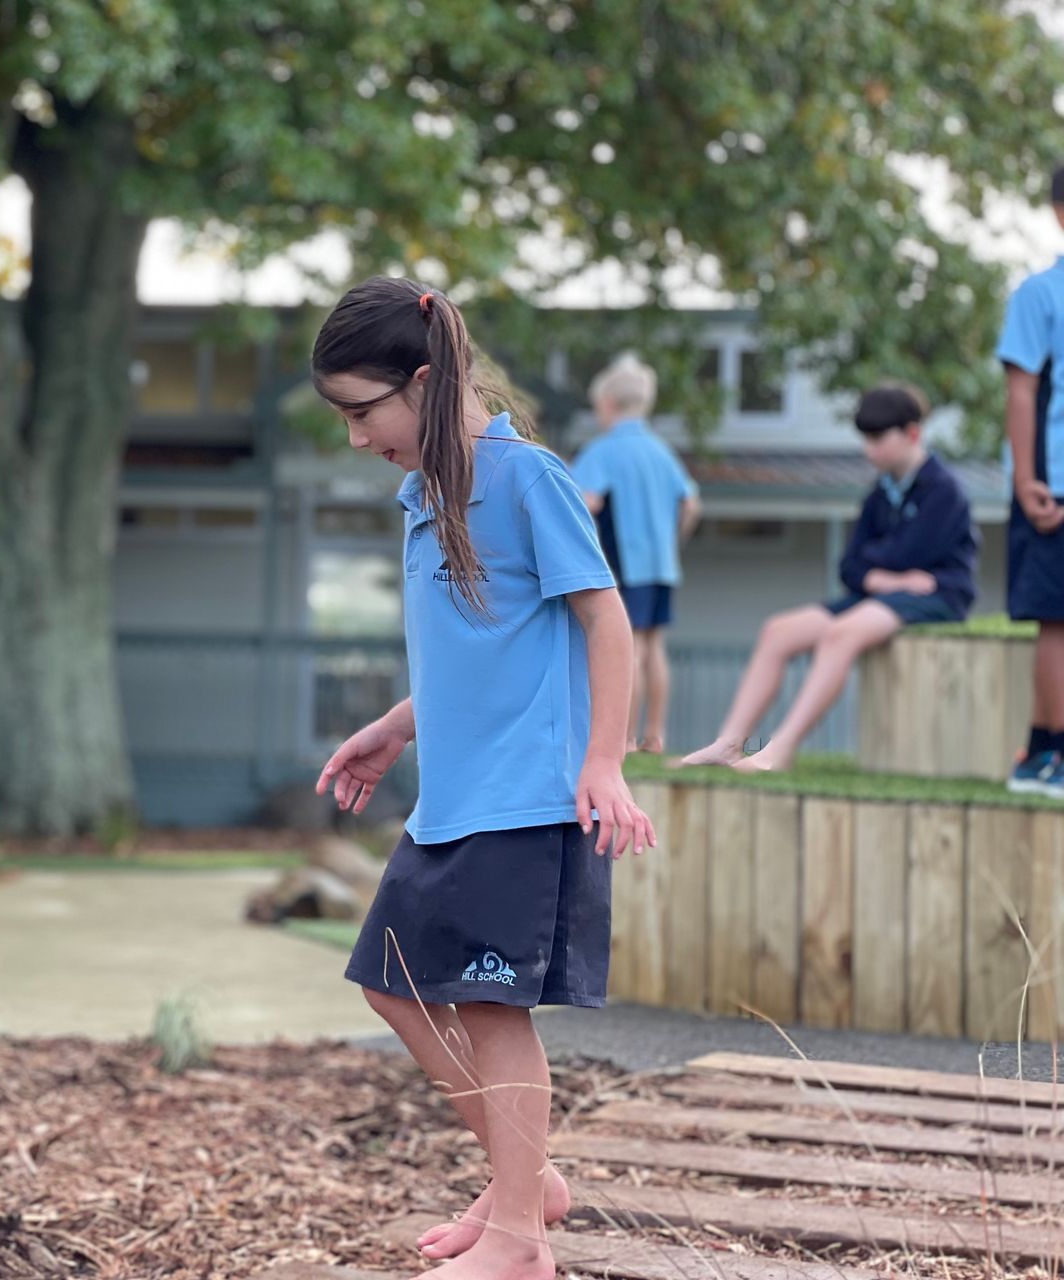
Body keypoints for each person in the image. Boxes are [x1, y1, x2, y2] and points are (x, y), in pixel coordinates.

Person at [310, 278, 654, 1280]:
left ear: (423, 381)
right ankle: (525, 1181)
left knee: (493, 1011)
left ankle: (517, 1239)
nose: (354, 437)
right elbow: (487, 651)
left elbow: (606, 620)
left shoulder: (524, 476)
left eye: (362, 412)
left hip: (526, 797)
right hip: (454, 798)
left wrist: (604, 760)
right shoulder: (428, 493)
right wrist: (393, 726)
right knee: (395, 983)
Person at [676, 383, 976, 772]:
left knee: (841, 634)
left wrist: (876, 571)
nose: (869, 449)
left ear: (912, 433)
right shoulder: (879, 493)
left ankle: (778, 751)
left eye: (877, 438)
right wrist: (884, 579)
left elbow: (906, 555)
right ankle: (729, 745)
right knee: (778, 630)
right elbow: (850, 566)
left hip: (938, 597)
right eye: (864, 438)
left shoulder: (945, 490)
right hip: (887, 593)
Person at [569, 354, 702, 755]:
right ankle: (655, 736)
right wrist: (672, 540)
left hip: (624, 561)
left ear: (607, 404)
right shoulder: (662, 452)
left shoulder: (602, 451)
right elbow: (691, 504)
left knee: (629, 647)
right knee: (654, 645)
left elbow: (584, 502)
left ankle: (624, 739)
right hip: (661, 564)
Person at [998, 170, 1064, 793]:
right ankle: (1046, 751)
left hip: (1052, 480)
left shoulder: (1041, 292)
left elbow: (1022, 390)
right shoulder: (1041, 293)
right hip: (1053, 481)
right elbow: (1026, 390)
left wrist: (1024, 479)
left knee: (1055, 621)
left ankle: (1048, 752)